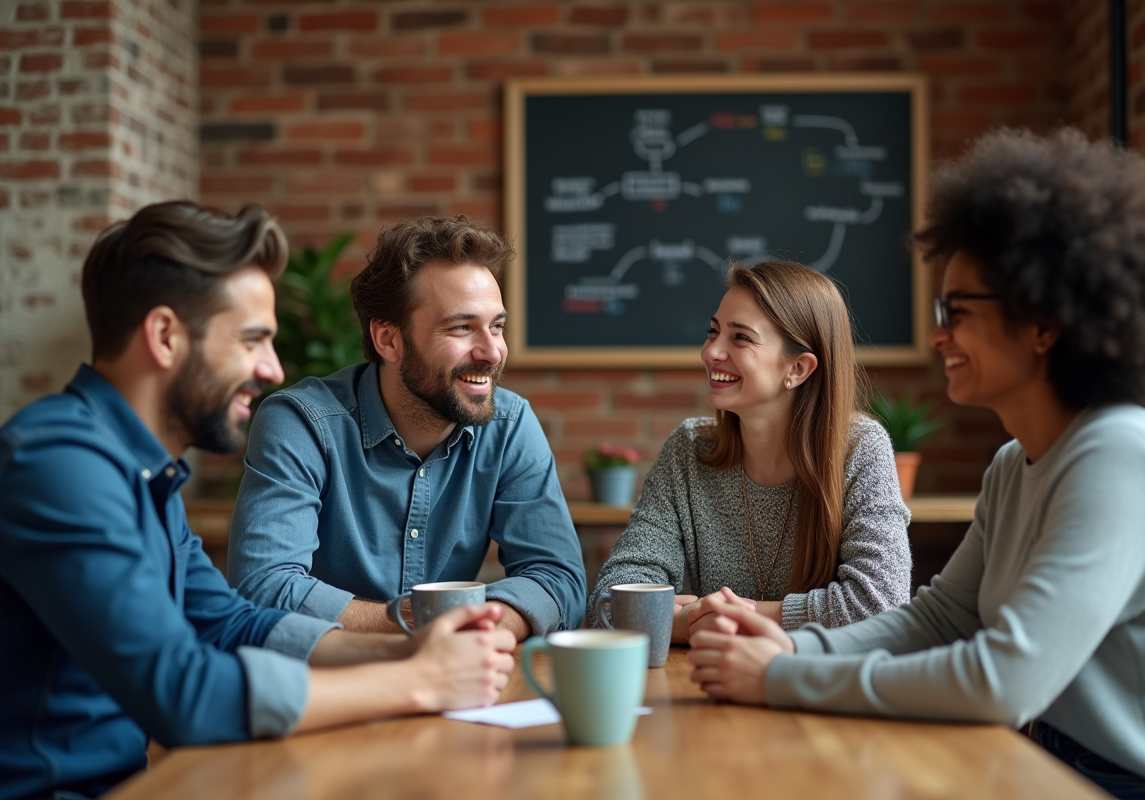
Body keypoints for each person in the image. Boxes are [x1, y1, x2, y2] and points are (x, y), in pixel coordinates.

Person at [687, 129, 1145, 800]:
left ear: (1044, 323)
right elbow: (940, 620)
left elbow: (1004, 681)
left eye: (957, 312)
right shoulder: (1015, 464)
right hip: (1039, 760)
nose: (937, 335)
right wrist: (794, 648)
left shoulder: (1122, 453)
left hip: (1129, 785)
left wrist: (781, 676)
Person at [0, 202, 516, 800]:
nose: (271, 369)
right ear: (165, 337)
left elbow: (229, 623)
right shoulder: (58, 465)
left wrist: (401, 650)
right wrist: (419, 682)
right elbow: (184, 694)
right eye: (252, 340)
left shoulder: (139, 469)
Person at [227, 216, 586, 639]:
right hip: (329, 673)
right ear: (389, 340)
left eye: (497, 326)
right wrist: (427, 626)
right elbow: (264, 587)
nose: (492, 352)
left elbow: (558, 580)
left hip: (454, 669)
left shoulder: (509, 426)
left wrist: (478, 626)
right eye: (462, 327)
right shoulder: (302, 423)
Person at [588, 260, 912, 642]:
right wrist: (685, 623)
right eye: (713, 332)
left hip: (818, 675)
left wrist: (733, 616)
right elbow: (610, 599)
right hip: (716, 672)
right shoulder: (688, 450)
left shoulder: (860, 449)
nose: (711, 352)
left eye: (740, 338)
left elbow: (880, 603)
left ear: (798, 368)